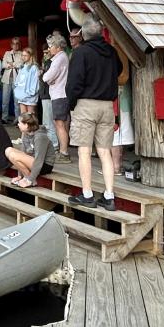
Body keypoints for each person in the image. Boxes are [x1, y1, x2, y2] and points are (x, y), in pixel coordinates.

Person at [64, 17, 121, 207]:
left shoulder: (81, 53)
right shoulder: (111, 52)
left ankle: (87, 195)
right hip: (107, 106)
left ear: (84, 34)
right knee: (105, 152)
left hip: (86, 105)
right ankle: (109, 196)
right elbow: (119, 69)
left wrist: (72, 105)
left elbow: (73, 83)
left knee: (84, 151)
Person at [5, 112, 55, 188]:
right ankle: (25, 177)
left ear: (27, 125)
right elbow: (23, 154)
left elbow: (39, 160)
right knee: (8, 150)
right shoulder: (25, 134)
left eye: (20, 123)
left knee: (13, 155)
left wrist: (31, 179)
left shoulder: (40, 137)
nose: (18, 125)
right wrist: (19, 176)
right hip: (32, 161)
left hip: (44, 165)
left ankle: (30, 180)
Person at [43, 35, 71, 161]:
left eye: (51, 46)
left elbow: (46, 77)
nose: (49, 49)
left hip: (59, 94)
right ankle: (63, 151)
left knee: (59, 124)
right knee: (62, 124)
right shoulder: (61, 57)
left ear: (58, 47)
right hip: (61, 94)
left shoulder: (59, 58)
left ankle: (64, 153)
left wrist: (47, 78)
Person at [0, 37, 23, 121]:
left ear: (19, 45)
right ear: (11, 45)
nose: (15, 45)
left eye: (17, 43)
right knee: (5, 100)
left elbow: (21, 65)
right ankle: (4, 118)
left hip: (17, 80)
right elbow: (3, 64)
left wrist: (11, 64)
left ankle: (17, 119)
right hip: (6, 79)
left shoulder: (22, 54)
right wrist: (13, 64)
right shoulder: (7, 53)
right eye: (14, 43)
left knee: (17, 101)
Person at [13, 48, 41, 117]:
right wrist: (17, 91)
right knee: (23, 116)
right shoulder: (22, 67)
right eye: (22, 55)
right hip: (21, 95)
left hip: (30, 96)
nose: (23, 57)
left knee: (30, 116)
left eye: (25, 55)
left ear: (30, 56)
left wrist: (30, 93)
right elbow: (17, 81)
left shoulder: (34, 68)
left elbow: (35, 83)